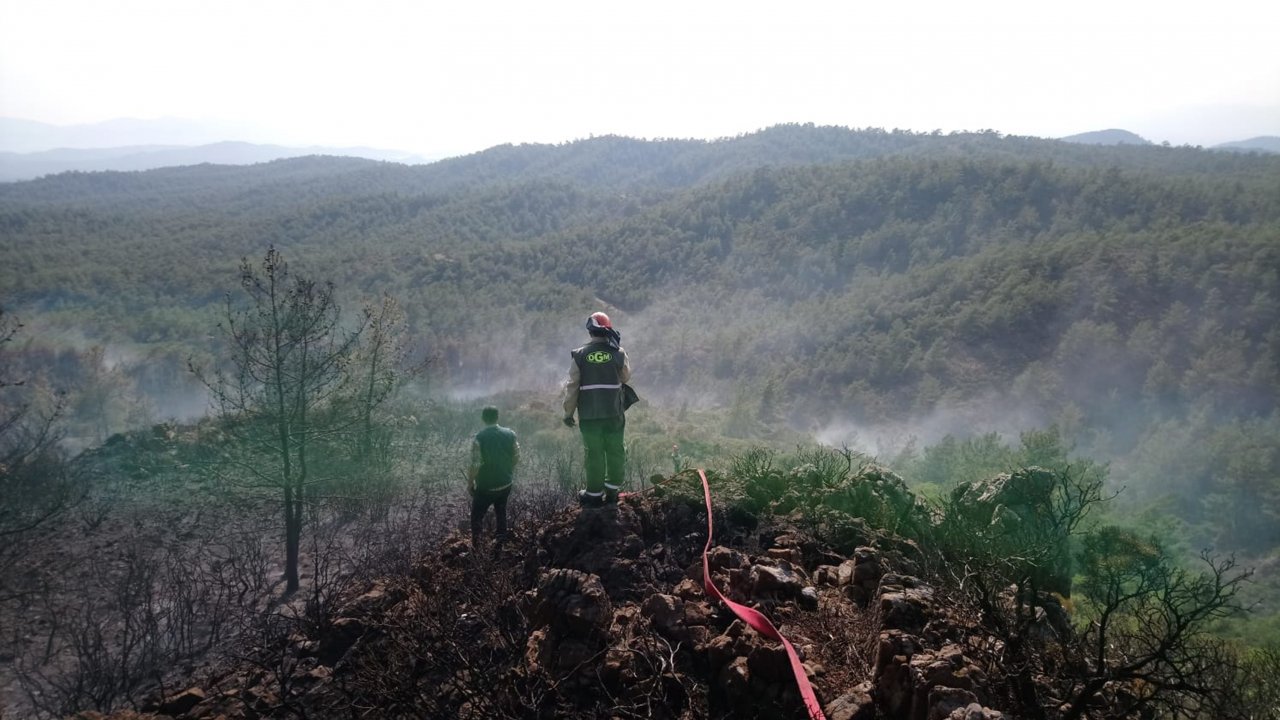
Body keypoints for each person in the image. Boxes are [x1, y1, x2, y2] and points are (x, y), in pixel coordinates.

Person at [563, 311, 631, 507]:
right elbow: (625, 378)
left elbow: (572, 386)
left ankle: (593, 493)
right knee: (615, 449)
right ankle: (612, 489)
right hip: (614, 414)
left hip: (590, 416)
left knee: (594, 453)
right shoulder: (619, 353)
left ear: (590, 331)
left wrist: (568, 413)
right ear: (608, 329)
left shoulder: (579, 355)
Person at [468, 406, 519, 546]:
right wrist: (506, 470)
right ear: (497, 417)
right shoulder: (510, 434)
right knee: (501, 511)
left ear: (483, 419)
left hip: (486, 487)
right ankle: (501, 542)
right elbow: (516, 456)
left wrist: (470, 483)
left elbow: (475, 464)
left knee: (477, 517)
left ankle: (477, 548)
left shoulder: (479, 438)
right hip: (506, 483)